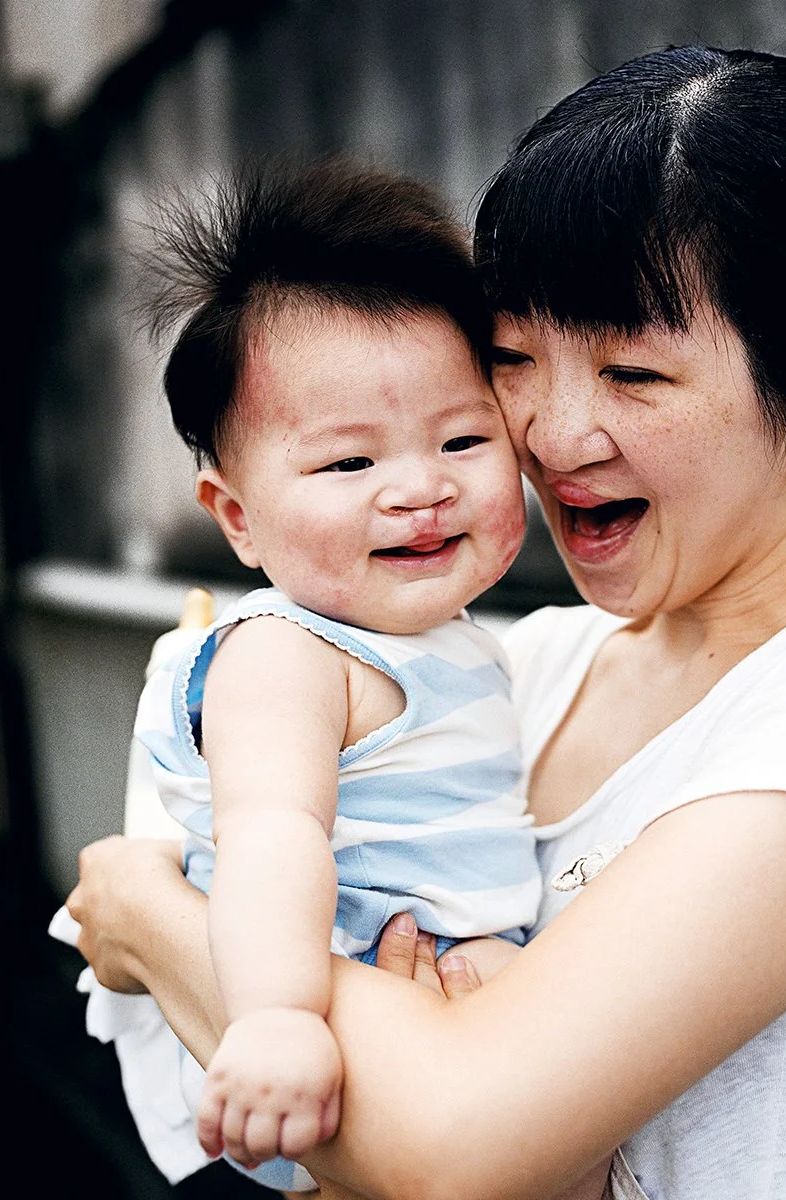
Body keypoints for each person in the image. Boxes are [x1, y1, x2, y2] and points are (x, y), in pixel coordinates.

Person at [65, 44, 786, 1200]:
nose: (557, 437)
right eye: (516, 359)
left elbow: (460, 1146)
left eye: (634, 375)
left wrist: (150, 920)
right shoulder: (523, 665)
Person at [61, 159, 543, 1194]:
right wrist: (278, 1019)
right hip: (301, 1047)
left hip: (448, 1035)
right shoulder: (287, 654)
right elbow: (272, 838)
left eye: (464, 438)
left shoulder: (468, 644)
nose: (420, 488)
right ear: (235, 515)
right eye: (347, 465)